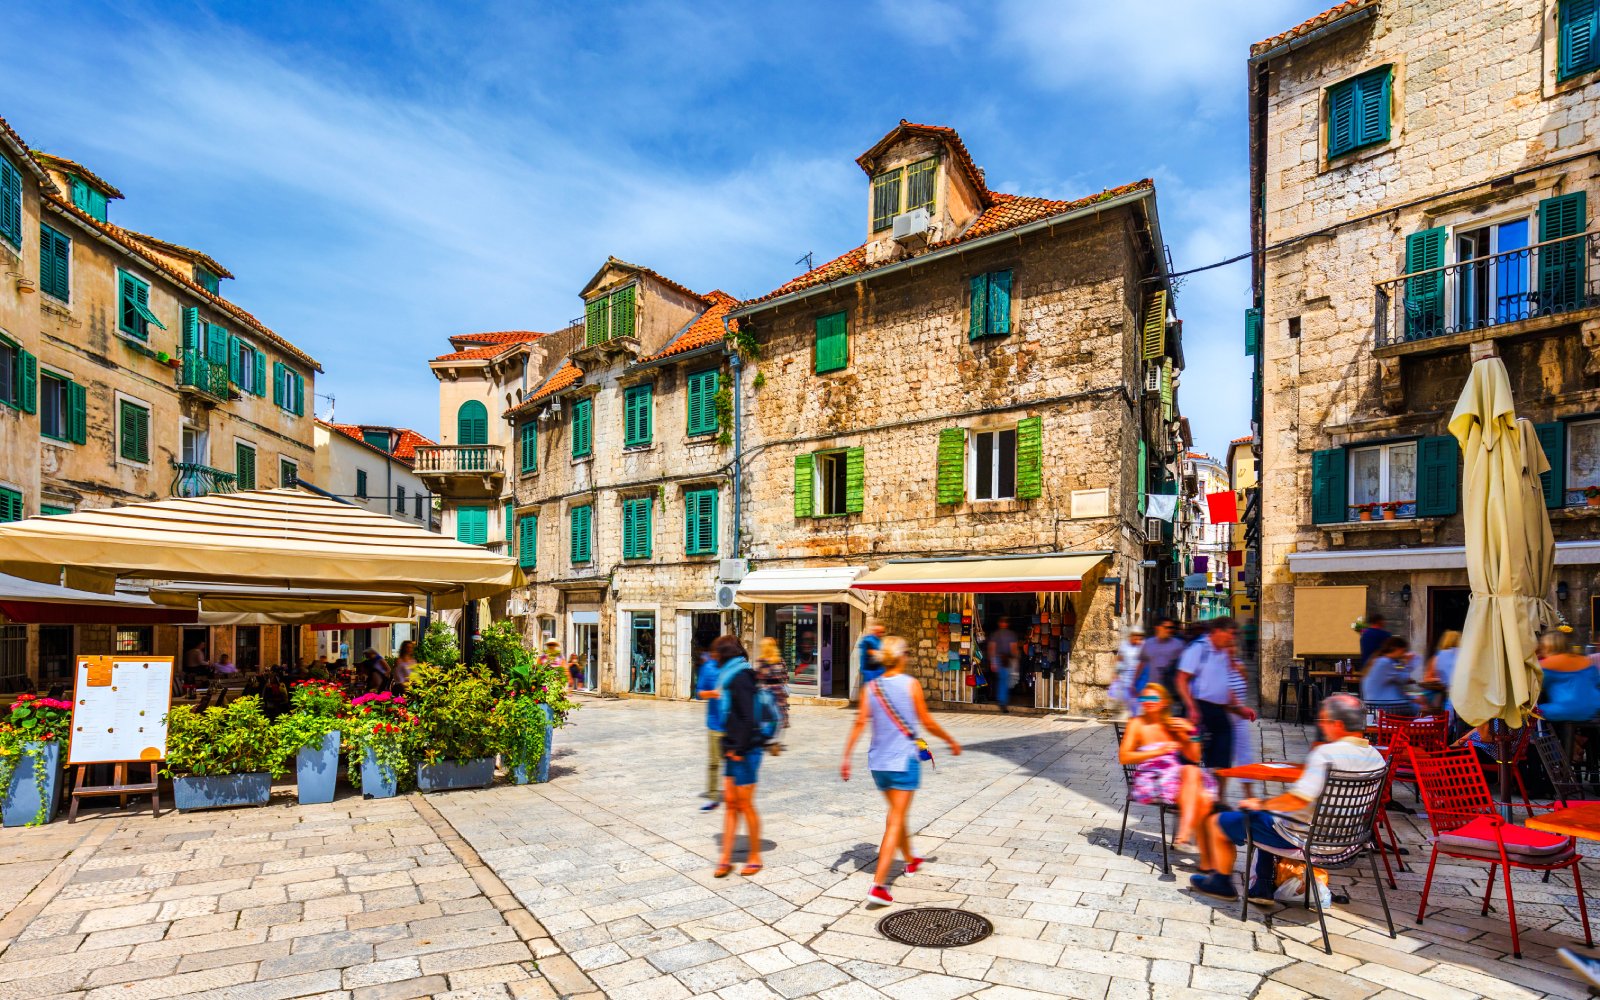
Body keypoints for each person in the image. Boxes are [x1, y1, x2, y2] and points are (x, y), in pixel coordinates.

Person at [1190, 693, 1386, 901]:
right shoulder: (1376, 757)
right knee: (1271, 817)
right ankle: (1261, 888)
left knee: (1218, 822)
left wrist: (1260, 803)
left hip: (1306, 840)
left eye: (1323, 721)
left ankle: (1221, 883)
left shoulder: (1326, 754)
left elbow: (1297, 800)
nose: (1321, 726)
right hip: (1347, 843)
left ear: (1337, 724)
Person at [841, 636, 961, 905]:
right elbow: (927, 722)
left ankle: (911, 859)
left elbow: (860, 723)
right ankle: (879, 885)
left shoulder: (871, 687)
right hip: (903, 762)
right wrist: (950, 740)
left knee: (898, 814)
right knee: (895, 819)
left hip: (878, 765)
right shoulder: (911, 685)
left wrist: (847, 757)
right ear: (901, 656)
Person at [1118, 683, 1214, 851]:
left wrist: (1191, 732)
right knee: (1203, 797)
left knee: (1192, 771)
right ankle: (1203, 856)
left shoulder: (1173, 724)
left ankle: (1185, 839)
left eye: (1153, 698)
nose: (1148, 701)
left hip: (1175, 775)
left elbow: (1194, 756)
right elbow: (1124, 757)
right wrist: (1158, 751)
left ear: (1163, 702)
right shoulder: (1137, 723)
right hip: (1150, 778)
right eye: (1144, 698)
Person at [713, 635, 766, 878]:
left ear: (724, 654)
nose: (713, 657)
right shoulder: (731, 676)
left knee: (744, 805)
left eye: (716, 653)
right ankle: (725, 858)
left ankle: (755, 855)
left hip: (746, 750)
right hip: (732, 748)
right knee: (731, 805)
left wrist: (738, 749)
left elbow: (747, 718)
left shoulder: (742, 677)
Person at [1177, 617, 1251, 772]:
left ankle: (1215, 793)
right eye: (1230, 634)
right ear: (1217, 631)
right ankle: (1187, 790)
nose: (1232, 638)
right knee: (1190, 759)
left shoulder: (1223, 652)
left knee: (1222, 757)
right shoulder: (1198, 649)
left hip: (1219, 711)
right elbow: (1181, 679)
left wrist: (1239, 707)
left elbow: (1224, 685)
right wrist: (1191, 707)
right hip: (1199, 709)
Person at [1538, 629, 1600, 722]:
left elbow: (1537, 684)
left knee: (1532, 712)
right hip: (1592, 708)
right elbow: (1596, 680)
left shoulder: (1546, 664)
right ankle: (1575, 735)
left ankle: (1560, 735)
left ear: (1547, 647)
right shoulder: (1585, 660)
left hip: (1565, 710)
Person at [695, 649, 725, 812]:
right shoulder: (708, 668)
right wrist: (713, 693)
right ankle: (714, 797)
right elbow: (699, 693)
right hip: (715, 724)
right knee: (714, 763)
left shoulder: (736, 668)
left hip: (735, 724)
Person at [1360, 637, 1420, 717]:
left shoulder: (1377, 660)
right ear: (1398, 649)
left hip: (1374, 704)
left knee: (1416, 701)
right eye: (1404, 650)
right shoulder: (1385, 662)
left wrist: (1412, 697)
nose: (1404, 653)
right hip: (1387, 706)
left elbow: (1396, 684)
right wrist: (1407, 663)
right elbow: (1403, 679)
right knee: (1418, 707)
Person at [1140, 618, 1187, 711]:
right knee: (1150, 714)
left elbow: (1185, 667)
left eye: (1171, 628)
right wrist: (1135, 683)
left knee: (1170, 717)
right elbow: (1141, 663)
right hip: (1153, 688)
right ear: (1158, 628)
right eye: (1167, 627)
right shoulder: (1148, 643)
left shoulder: (1178, 645)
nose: (1169, 630)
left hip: (1170, 691)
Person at [754, 638, 791, 746]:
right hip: (779, 691)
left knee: (766, 714)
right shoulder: (780, 660)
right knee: (780, 714)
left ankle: (766, 736)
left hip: (766, 691)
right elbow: (786, 676)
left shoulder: (761, 661)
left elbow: (757, 676)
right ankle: (776, 739)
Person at [1112, 623, 1147, 716]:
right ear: (1131, 635)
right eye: (1135, 635)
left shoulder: (1144, 645)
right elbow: (1119, 661)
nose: (1137, 638)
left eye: (1139, 636)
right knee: (1128, 698)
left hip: (1140, 676)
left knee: (1139, 699)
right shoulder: (1124, 645)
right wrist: (1116, 674)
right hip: (1126, 676)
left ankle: (1138, 716)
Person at [1421, 631, 1459, 713]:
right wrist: (1439, 679)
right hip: (1440, 694)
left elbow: (1427, 678)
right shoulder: (1463, 655)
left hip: (1447, 694)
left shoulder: (1438, 657)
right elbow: (1427, 678)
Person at [988, 616, 1019, 713]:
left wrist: (993, 662)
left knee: (1002, 680)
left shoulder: (995, 634)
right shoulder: (1011, 635)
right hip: (1007, 659)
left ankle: (1001, 700)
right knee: (1005, 681)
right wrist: (1015, 661)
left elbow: (992, 648)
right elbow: (1014, 649)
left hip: (999, 658)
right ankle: (1003, 702)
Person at [856, 621, 886, 687]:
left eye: (883, 632)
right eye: (880, 632)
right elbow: (871, 652)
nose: (882, 634)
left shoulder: (879, 640)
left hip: (879, 671)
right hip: (870, 672)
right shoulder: (868, 640)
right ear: (875, 631)